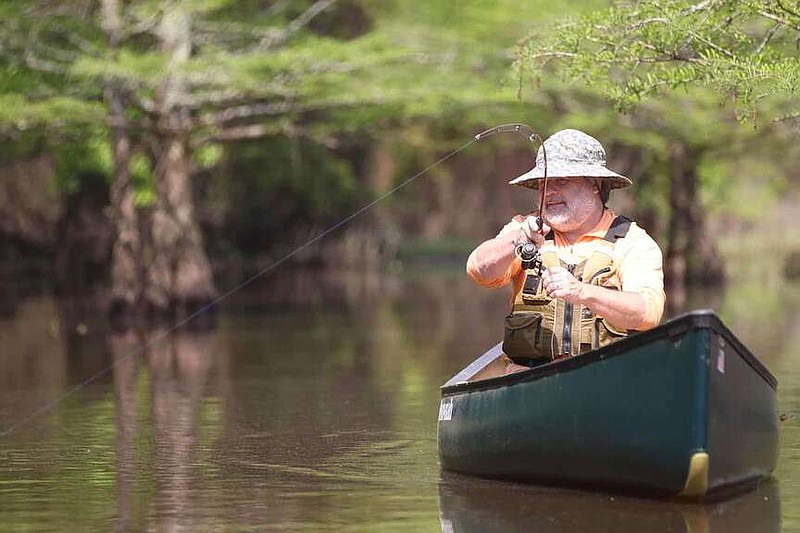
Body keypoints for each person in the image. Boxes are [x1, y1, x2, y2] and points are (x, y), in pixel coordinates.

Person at [466, 129, 665, 374]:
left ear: (595, 184)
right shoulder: (523, 228)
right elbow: (478, 270)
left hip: (605, 379)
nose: (548, 191)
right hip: (528, 380)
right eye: (543, 184)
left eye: (562, 181)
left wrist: (583, 292)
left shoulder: (633, 242)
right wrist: (516, 241)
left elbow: (647, 313)